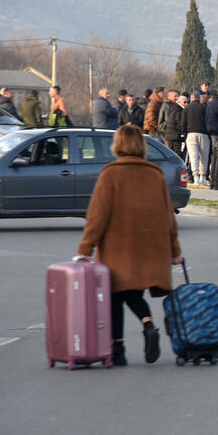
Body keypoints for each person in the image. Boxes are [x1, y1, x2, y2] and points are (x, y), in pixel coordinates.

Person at [76, 124, 182, 366]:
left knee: (115, 296)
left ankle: (118, 349)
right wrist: (175, 251)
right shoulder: (155, 174)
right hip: (151, 247)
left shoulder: (110, 174)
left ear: (118, 145)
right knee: (134, 293)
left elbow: (97, 216)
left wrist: (85, 248)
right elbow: (169, 216)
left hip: (118, 248)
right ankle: (148, 325)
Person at [184, 93, 209, 186]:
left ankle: (196, 178)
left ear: (191, 98)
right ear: (199, 99)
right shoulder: (204, 108)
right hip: (203, 133)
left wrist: (185, 134)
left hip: (191, 134)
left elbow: (183, 123)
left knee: (193, 157)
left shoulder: (186, 108)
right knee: (204, 156)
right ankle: (203, 176)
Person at [157, 89, 185, 155]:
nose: (177, 98)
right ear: (169, 96)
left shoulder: (173, 106)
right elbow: (168, 121)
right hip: (168, 132)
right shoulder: (168, 106)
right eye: (175, 96)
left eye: (177, 96)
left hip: (170, 132)